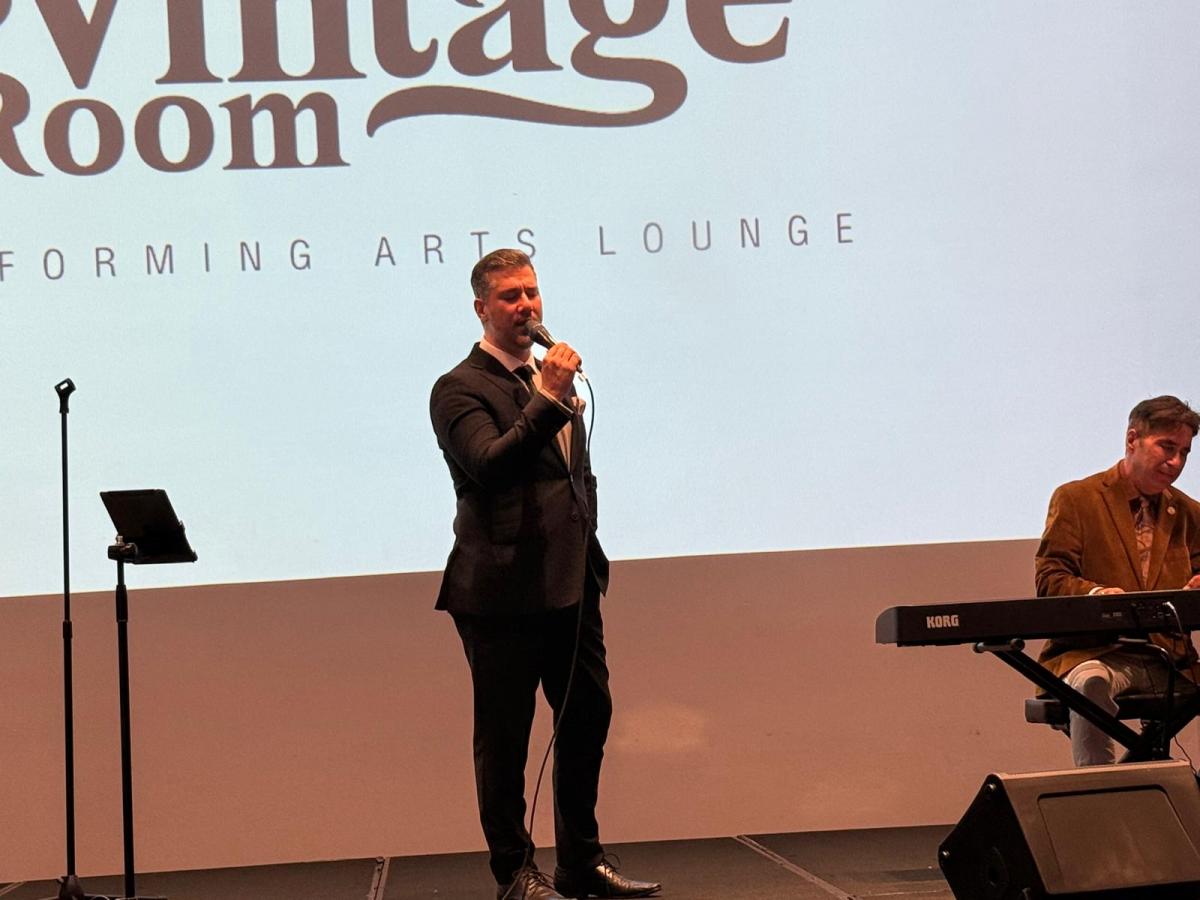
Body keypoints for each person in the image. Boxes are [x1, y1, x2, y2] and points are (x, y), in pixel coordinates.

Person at [430, 249, 660, 900]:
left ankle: (580, 862)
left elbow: (572, 477)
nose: (526, 306)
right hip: (500, 591)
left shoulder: (541, 378)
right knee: (505, 739)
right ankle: (515, 873)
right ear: (482, 308)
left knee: (588, 716)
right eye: (510, 296)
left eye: (531, 292)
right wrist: (550, 398)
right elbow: (490, 466)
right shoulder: (459, 388)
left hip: (571, 583)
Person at [1035, 395, 1200, 766]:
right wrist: (1096, 594)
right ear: (1132, 439)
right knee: (1089, 684)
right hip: (1096, 652)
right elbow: (1050, 577)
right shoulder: (1077, 499)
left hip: (1169, 661)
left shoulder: (1190, 513)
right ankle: (1100, 787)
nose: (1176, 462)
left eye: (1185, 453)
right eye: (1167, 447)